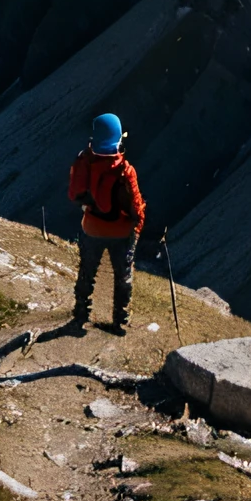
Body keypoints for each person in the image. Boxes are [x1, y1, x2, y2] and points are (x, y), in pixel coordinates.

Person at [68, 111, 145, 334]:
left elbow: (74, 194)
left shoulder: (84, 161)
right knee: (123, 276)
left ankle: (81, 313)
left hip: (91, 227)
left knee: (87, 272)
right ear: (118, 138)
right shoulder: (125, 170)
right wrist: (137, 228)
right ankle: (120, 321)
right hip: (121, 232)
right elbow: (136, 205)